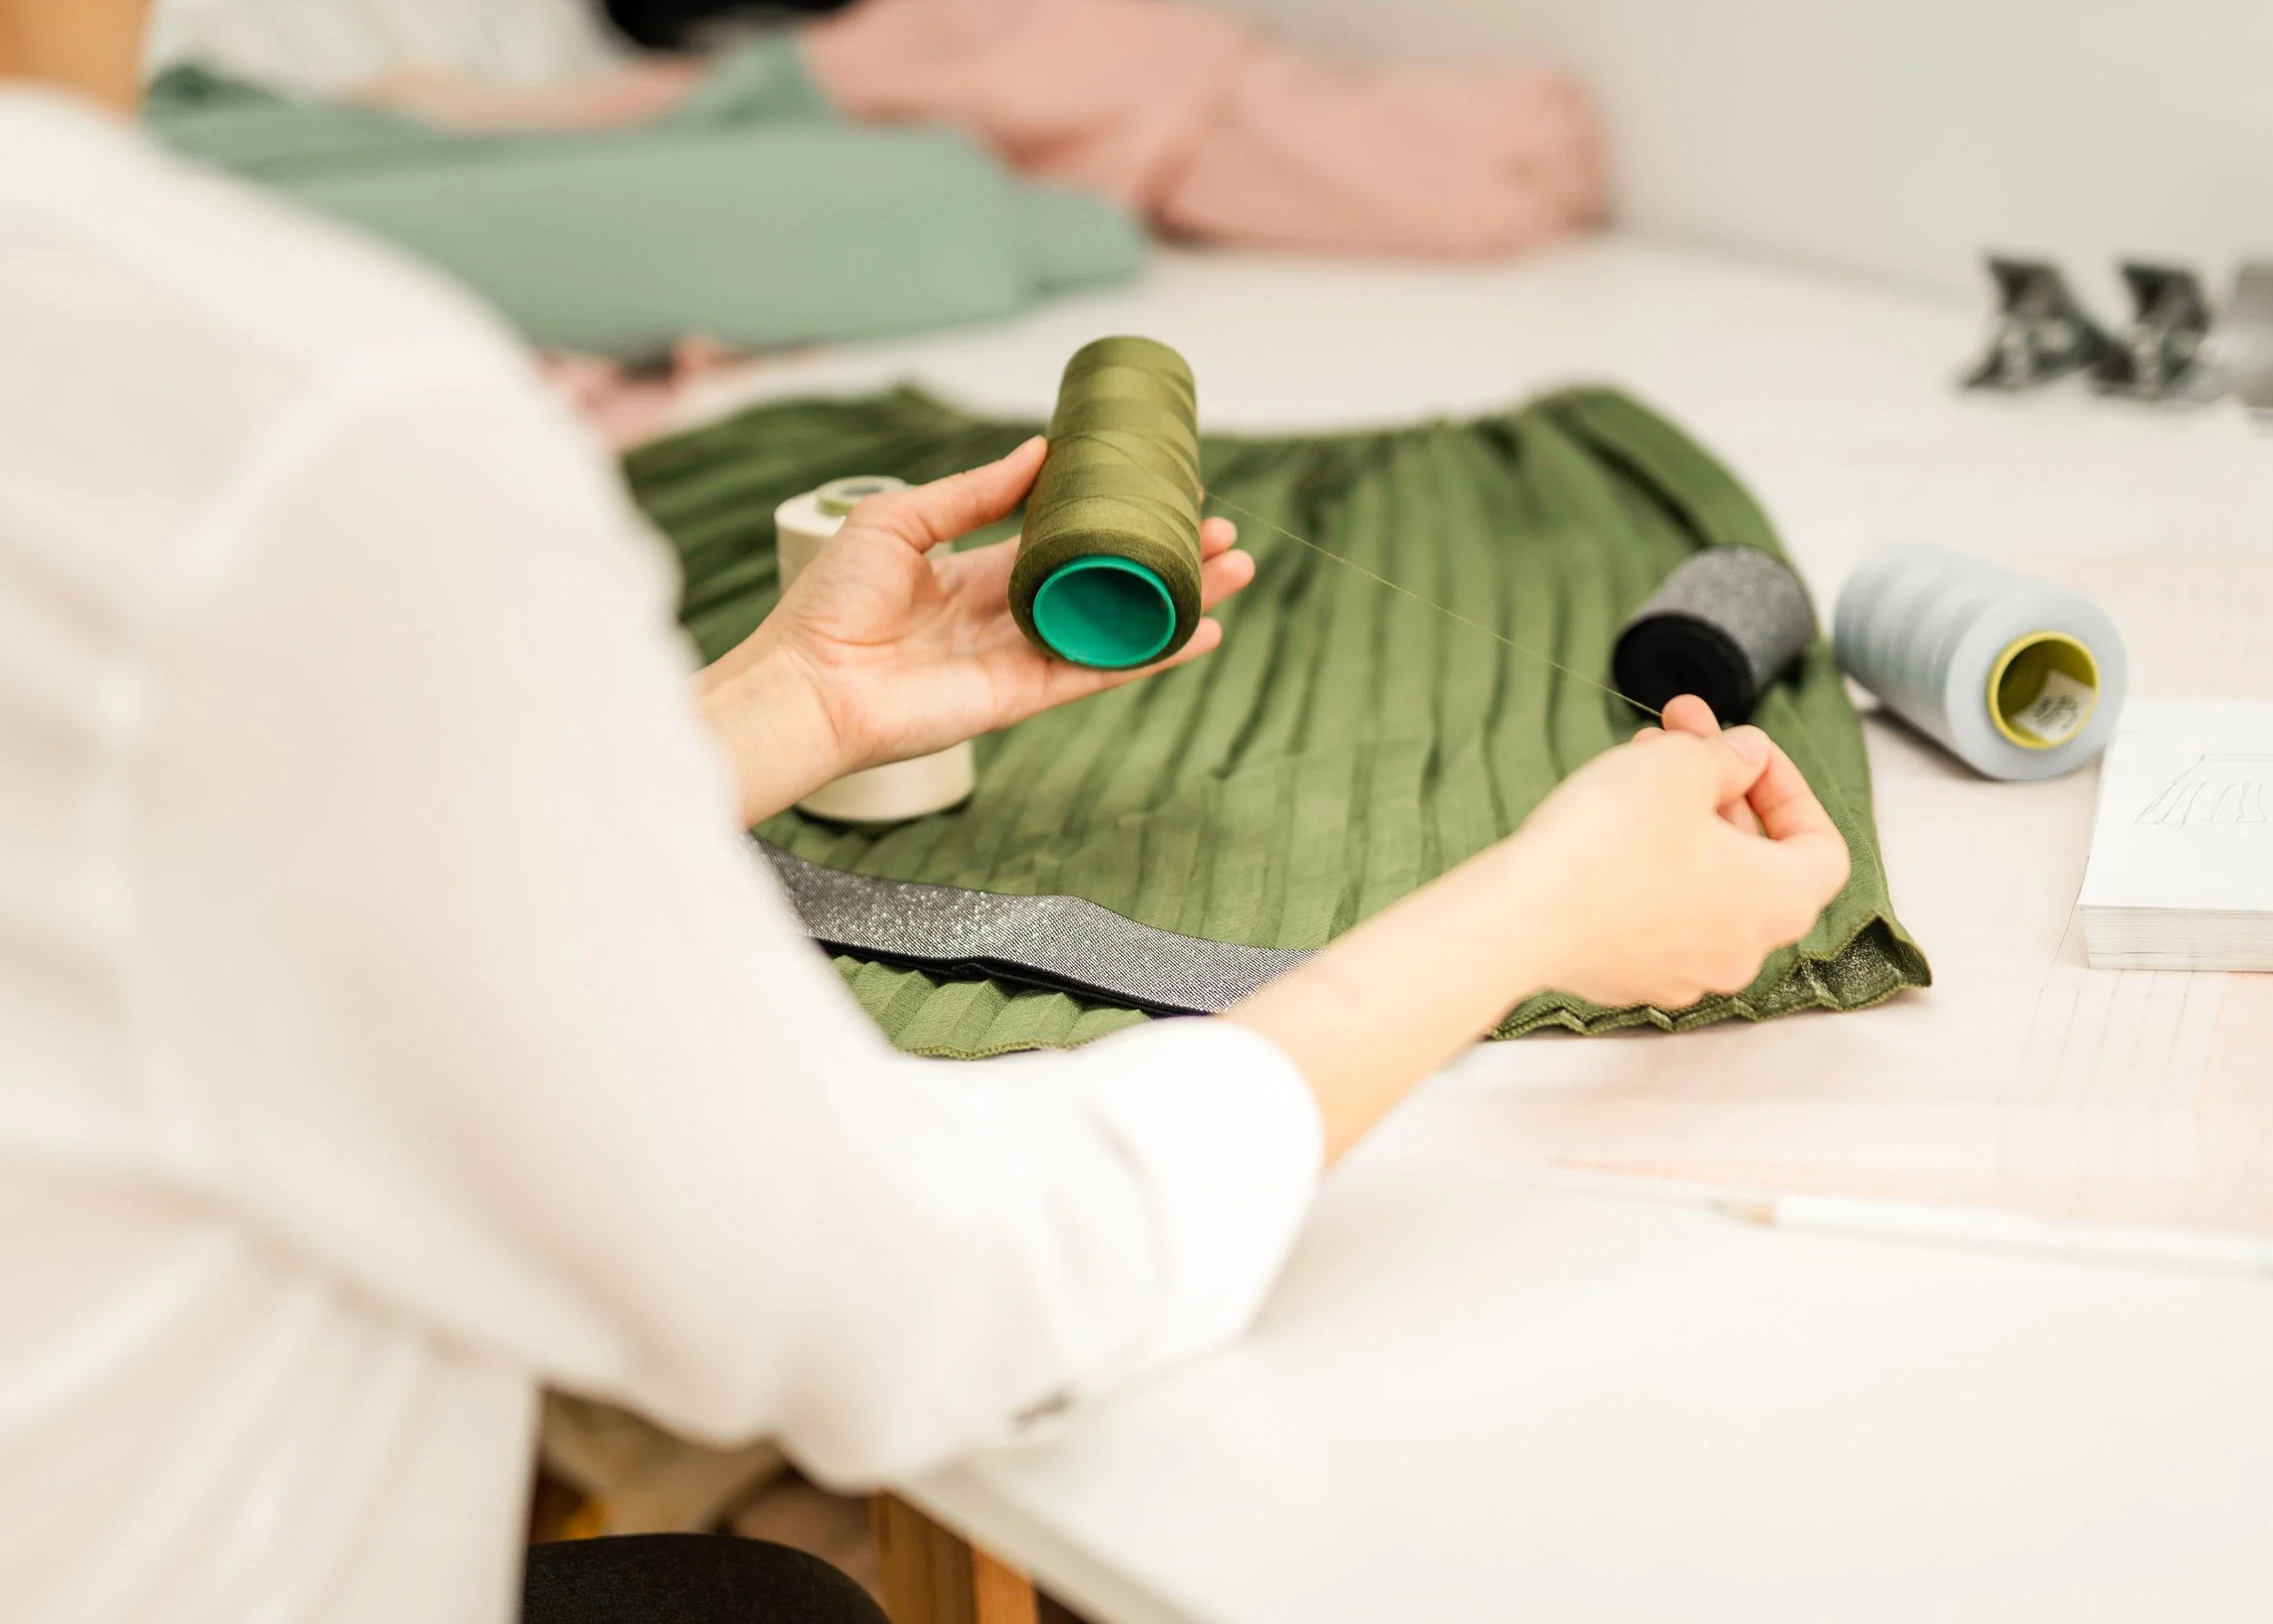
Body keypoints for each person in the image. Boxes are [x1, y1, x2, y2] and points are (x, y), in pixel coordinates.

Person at [0, 4, 1851, 1621]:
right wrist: (1535, 906)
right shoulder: (290, 413)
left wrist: (770, 708)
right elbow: (903, 1298)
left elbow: (152, 861)